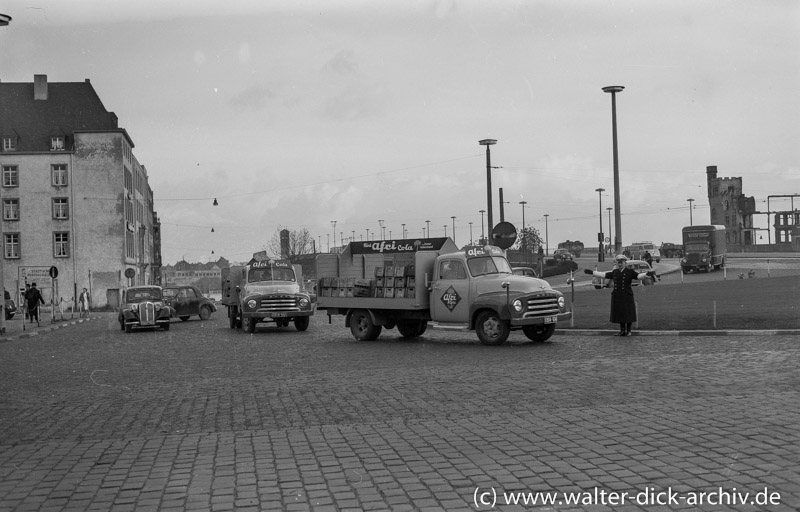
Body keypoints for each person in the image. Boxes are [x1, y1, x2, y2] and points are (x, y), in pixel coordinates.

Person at [584, 254, 657, 337]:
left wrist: (646, 274)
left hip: (627, 295)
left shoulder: (630, 272)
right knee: (620, 313)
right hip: (617, 296)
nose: (620, 264)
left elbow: (638, 276)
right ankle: (622, 331)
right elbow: (603, 275)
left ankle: (628, 331)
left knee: (628, 313)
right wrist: (592, 272)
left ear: (625, 263)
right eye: (618, 263)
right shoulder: (615, 272)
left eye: (621, 262)